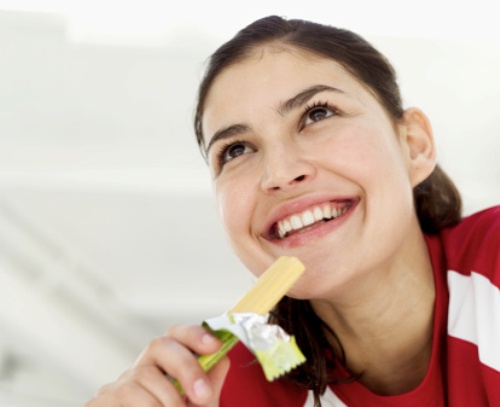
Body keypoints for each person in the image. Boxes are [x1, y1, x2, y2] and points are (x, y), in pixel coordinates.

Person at [85, 15, 500, 407]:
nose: (280, 173)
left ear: (413, 145)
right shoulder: (222, 389)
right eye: (236, 150)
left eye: (318, 114)